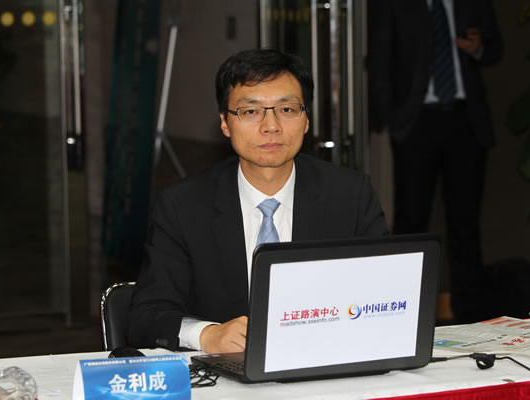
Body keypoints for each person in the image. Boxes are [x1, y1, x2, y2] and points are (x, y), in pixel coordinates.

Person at [128, 49, 389, 353]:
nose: (271, 126)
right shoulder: (182, 206)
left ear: (306, 120)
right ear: (225, 123)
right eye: (251, 112)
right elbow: (145, 317)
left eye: (287, 109)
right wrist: (206, 335)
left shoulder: (350, 195)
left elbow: (387, 295)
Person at [368, 0, 503, 322]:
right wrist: (392, 120)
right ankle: (401, 310)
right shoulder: (394, 5)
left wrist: (479, 48)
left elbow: (495, 48)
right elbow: (378, 58)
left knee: (466, 224)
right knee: (411, 221)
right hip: (416, 122)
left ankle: (471, 316)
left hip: (466, 120)